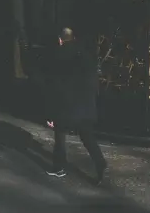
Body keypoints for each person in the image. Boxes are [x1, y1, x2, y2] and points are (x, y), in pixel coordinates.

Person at [45, 27, 107, 185]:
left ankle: (59, 167)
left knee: (60, 135)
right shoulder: (85, 54)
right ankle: (100, 162)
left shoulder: (58, 56)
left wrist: (50, 113)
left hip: (66, 105)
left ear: (60, 40)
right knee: (87, 137)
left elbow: (56, 86)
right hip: (85, 105)